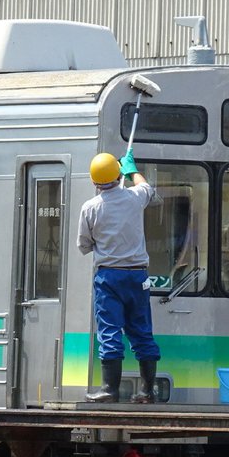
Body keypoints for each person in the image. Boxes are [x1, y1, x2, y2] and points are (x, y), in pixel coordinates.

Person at [78, 150, 161, 404]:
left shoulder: (90, 208)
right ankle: (147, 392)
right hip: (138, 277)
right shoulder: (135, 198)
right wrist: (132, 170)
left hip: (109, 278)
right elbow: (146, 187)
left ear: (94, 182)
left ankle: (109, 389)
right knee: (142, 332)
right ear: (118, 174)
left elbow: (84, 245)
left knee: (110, 330)